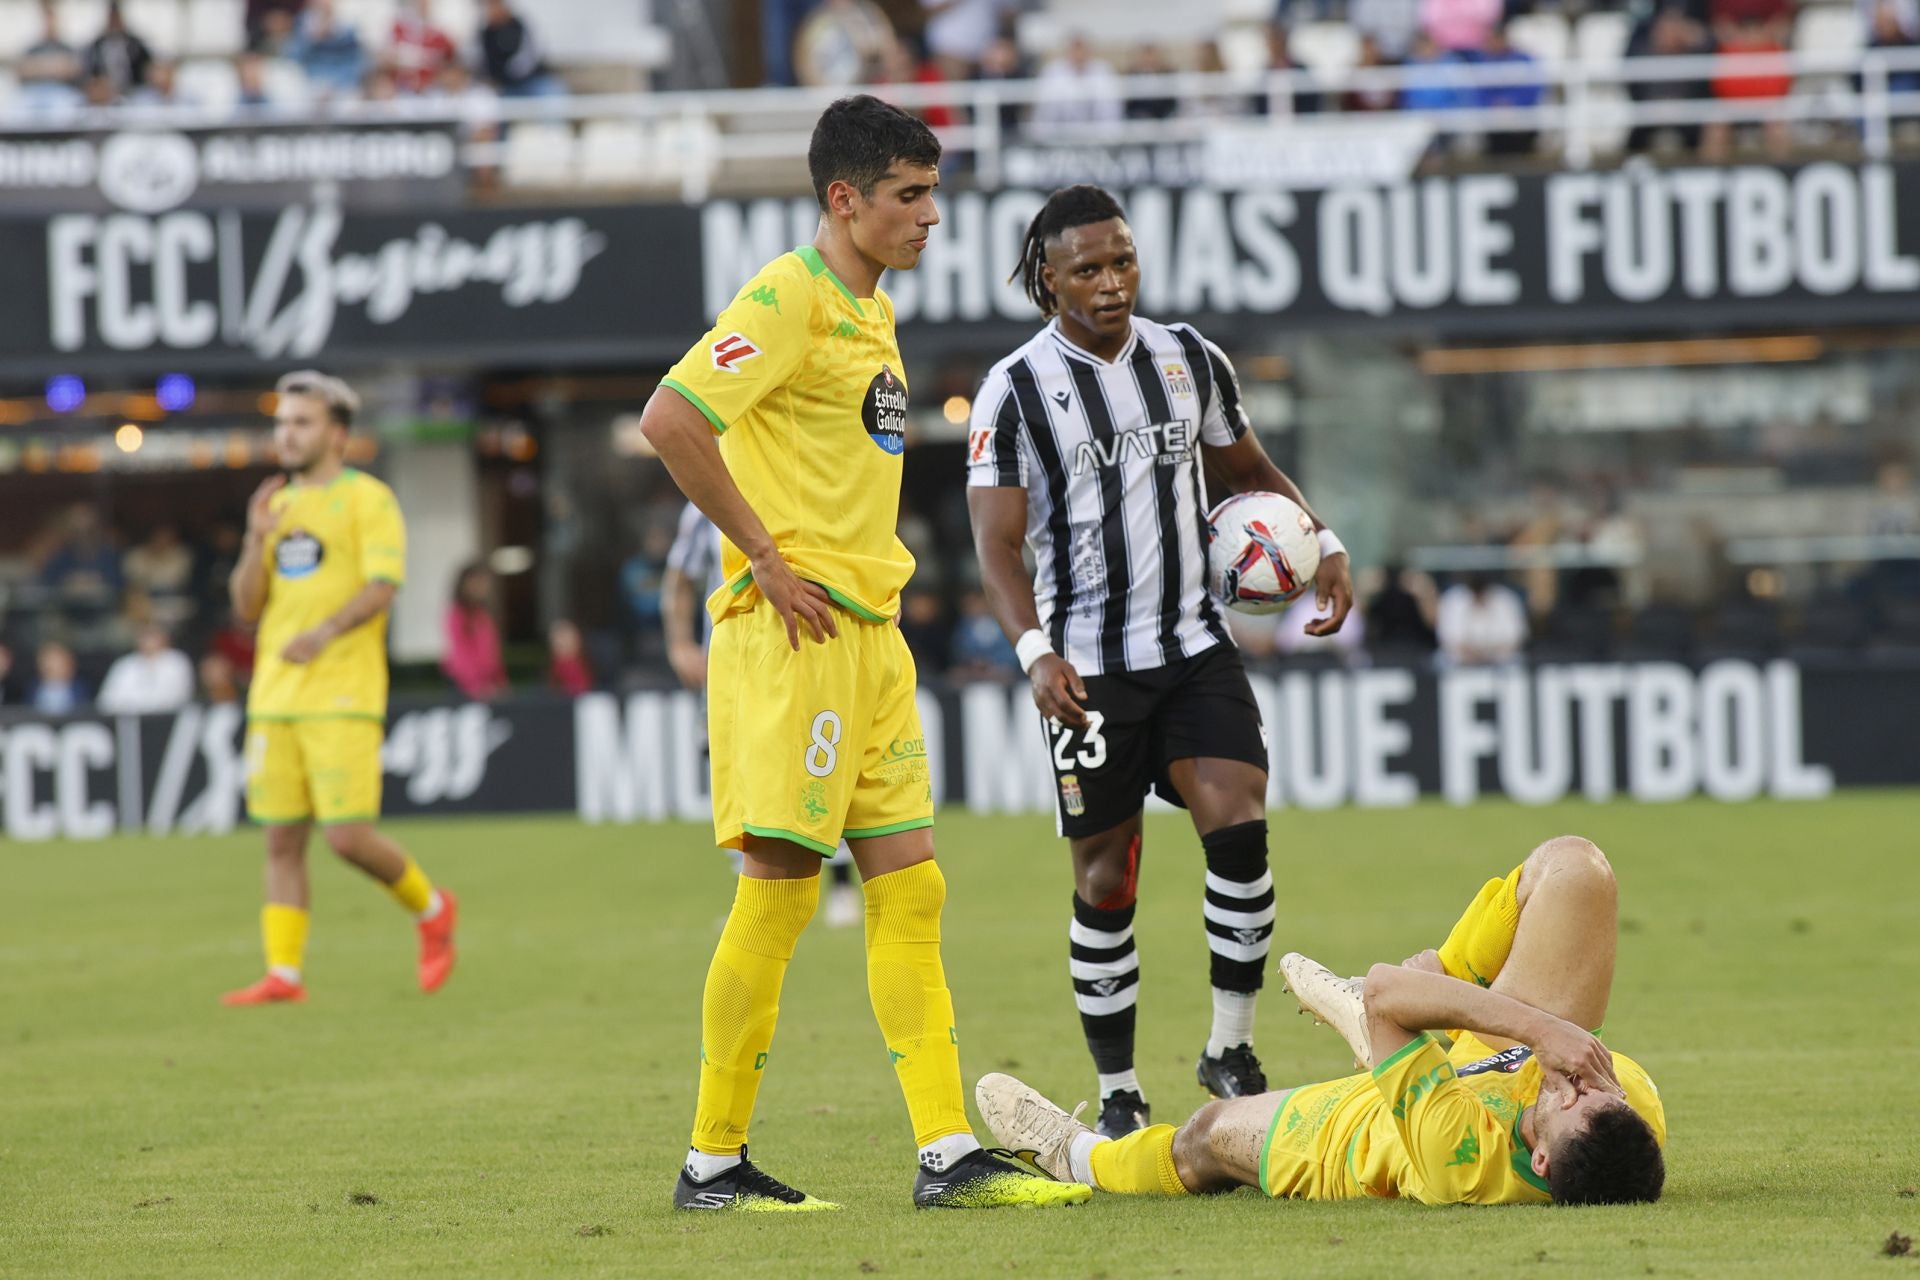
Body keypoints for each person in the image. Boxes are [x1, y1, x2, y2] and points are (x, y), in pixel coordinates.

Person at [641, 95, 1084, 1212]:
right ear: (846, 199)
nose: (932, 214)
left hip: (871, 640)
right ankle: (713, 1162)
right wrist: (762, 555)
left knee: (912, 887)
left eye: (933, 190)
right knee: (783, 891)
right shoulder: (789, 294)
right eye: (910, 194)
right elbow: (671, 418)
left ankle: (948, 1152)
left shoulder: (869, 313)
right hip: (796, 633)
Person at [965, 185, 1355, 1141]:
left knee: (1241, 824)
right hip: (1089, 672)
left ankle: (1229, 1047)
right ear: (1046, 279)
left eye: (1123, 260)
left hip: (1192, 648)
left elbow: (1249, 474)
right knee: (1105, 880)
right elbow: (996, 546)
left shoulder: (1190, 360)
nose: (1110, 282)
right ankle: (1119, 1089)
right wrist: (1034, 652)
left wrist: (1325, 540)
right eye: (1088, 269)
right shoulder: (1012, 391)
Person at [978, 835, 1668, 1207]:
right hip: (1491, 1056)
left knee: (1208, 1138)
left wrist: (1536, 1031)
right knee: (1575, 868)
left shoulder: (1461, 1162)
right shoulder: (1628, 1110)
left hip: (1361, 1134)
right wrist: (1545, 1036)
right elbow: (1576, 1081)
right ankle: (1433, 989)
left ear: (1540, 1161)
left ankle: (1077, 1156)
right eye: (1599, 1091)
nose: (1581, 1080)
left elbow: (1385, 988)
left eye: (1574, 1101)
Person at [221, 370, 457, 1006]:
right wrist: (253, 537)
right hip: (275, 694)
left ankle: (432, 909)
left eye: (301, 422)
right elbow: (247, 607)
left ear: (337, 434)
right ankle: (284, 974)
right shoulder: (276, 505)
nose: (286, 434)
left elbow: (383, 585)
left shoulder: (368, 499)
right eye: (281, 422)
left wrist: (324, 632)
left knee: (346, 837)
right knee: (281, 837)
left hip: (344, 691)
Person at [661, 501, 866, 930]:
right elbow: (679, 576)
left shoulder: (793, 484)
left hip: (807, 648)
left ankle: (842, 887)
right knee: (737, 778)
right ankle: (749, 901)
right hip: (732, 661)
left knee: (826, 762)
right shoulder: (703, 505)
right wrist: (680, 644)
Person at [96, 623, 196, 715]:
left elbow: (178, 697)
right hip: (128, 720)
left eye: (152, 636)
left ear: (164, 638)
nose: (147, 641)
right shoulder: (124, 664)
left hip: (167, 719)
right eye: (144, 637)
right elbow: (106, 700)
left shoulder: (177, 661)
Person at [442, 562, 507, 700]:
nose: (482, 588)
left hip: (488, 687)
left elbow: (492, 653)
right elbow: (461, 654)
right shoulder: (457, 614)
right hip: (464, 687)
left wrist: (500, 682)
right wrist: (476, 687)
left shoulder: (484, 615)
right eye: (477, 582)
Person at [1435, 572, 1528, 665]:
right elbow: (1449, 641)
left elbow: (1515, 639)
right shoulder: (1453, 599)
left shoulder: (1506, 599)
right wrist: (1473, 654)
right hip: (1461, 665)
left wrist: (1489, 654)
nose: (1479, 597)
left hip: (1501, 664)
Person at [478, 0, 562, 97]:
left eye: (495, 5)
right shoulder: (484, 35)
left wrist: (504, 74)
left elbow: (527, 61)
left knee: (554, 96)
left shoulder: (519, 26)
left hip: (532, 80)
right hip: (504, 88)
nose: (492, 10)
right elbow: (482, 64)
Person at [82, 2, 154, 100]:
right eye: (112, 18)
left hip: (133, 90)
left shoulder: (136, 45)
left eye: (117, 18)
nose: (114, 22)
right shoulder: (97, 45)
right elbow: (90, 70)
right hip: (104, 92)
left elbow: (147, 67)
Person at [31, 642, 88, 715]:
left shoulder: (81, 689)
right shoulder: (33, 689)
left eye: (58, 662)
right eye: (48, 662)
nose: (53, 666)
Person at [546, 619, 592, 696]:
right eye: (559, 640)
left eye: (565, 639)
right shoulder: (558, 666)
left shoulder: (576, 664)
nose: (562, 643)